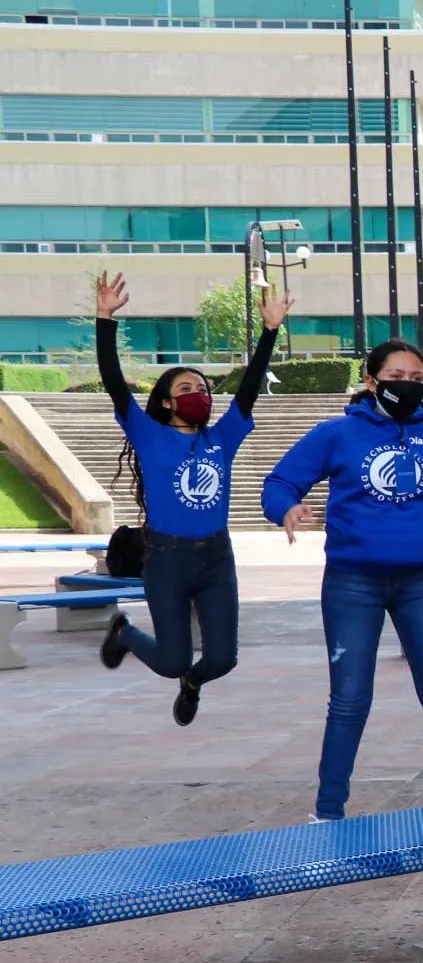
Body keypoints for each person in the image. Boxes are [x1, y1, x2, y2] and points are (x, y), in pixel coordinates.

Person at [261, 340, 423, 822]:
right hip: (351, 582)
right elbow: (279, 482)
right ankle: (328, 810)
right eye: (397, 376)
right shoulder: (336, 434)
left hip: (422, 582)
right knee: (349, 698)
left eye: (417, 378)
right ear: (371, 381)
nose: (408, 385)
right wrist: (288, 509)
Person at [96, 270, 287, 726]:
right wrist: (105, 319)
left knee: (222, 660)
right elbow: (114, 380)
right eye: (185, 389)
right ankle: (124, 634)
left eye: (202, 388)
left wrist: (270, 331)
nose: (197, 394)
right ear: (165, 402)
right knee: (170, 660)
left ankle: (194, 685)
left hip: (217, 557)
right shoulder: (148, 434)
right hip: (167, 558)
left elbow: (250, 387)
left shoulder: (224, 436)